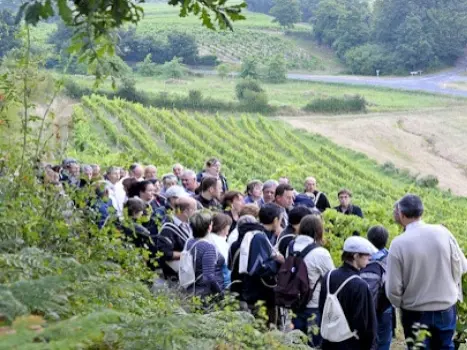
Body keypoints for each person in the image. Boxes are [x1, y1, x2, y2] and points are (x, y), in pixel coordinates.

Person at [386, 194, 467, 350]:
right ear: (421, 213)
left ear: (401, 214)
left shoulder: (398, 244)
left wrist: (402, 304)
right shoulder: (443, 232)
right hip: (446, 309)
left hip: (415, 312)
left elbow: (393, 289)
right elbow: (463, 266)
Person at [319, 236, 377, 350]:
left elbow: (322, 308)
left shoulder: (329, 276)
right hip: (351, 343)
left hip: (328, 341)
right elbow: (366, 325)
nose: (369, 258)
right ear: (355, 256)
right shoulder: (360, 285)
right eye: (366, 255)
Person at [291, 214, 335, 347]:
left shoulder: (291, 246)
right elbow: (332, 278)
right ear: (318, 230)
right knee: (314, 344)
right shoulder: (320, 253)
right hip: (313, 305)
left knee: (297, 344)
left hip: (294, 303)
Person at [240, 203, 285, 326]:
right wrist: (277, 261)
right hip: (259, 295)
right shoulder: (259, 237)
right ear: (275, 220)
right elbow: (258, 268)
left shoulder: (256, 233)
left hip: (256, 292)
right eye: (280, 219)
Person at [360, 226, 393, 350]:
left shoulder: (361, 256)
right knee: (383, 342)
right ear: (386, 240)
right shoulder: (391, 257)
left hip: (365, 308)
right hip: (385, 306)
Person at [157, 197, 197, 282]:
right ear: (186, 211)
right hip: (175, 277)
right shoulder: (168, 228)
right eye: (194, 209)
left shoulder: (189, 223)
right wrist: (187, 254)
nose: (196, 212)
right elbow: (166, 253)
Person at [185, 211, 224, 297]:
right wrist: (220, 293)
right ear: (209, 227)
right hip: (207, 294)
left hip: (193, 290)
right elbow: (208, 277)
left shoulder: (189, 242)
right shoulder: (208, 247)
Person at [119, 197, 158, 266]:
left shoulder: (121, 223)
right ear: (134, 212)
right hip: (136, 256)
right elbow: (149, 238)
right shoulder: (138, 228)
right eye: (141, 211)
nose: (142, 213)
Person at [209, 213, 233, 288]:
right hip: (223, 280)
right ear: (223, 227)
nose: (228, 232)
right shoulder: (218, 241)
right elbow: (227, 262)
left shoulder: (210, 237)